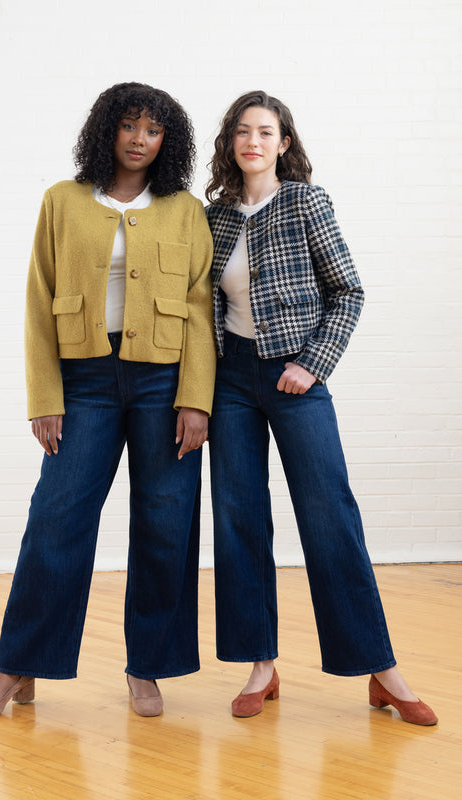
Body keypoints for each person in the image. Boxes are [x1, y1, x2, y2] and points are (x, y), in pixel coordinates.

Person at [0, 82, 216, 721]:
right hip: (84, 384)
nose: (139, 139)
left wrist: (196, 400)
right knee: (57, 520)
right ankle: (17, 666)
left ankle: (147, 668)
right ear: (107, 129)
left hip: (164, 385)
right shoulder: (63, 201)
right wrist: (44, 395)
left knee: (165, 524)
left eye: (153, 130)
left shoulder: (184, 209)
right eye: (129, 125)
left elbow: (198, 309)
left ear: (168, 141)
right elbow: (36, 299)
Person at [204, 90, 437, 725]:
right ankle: (260, 664)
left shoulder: (307, 201)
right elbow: (207, 307)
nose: (253, 140)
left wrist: (312, 363)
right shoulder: (216, 216)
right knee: (239, 518)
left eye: (266, 131)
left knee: (329, 515)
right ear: (231, 143)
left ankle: (380, 670)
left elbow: (348, 291)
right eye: (242, 131)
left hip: (295, 379)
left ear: (284, 143)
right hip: (230, 383)